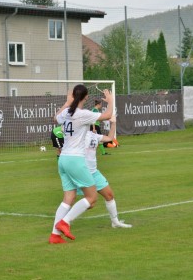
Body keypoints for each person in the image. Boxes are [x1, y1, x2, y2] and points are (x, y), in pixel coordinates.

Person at [49, 85, 113, 244]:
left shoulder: (66, 112)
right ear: (85, 98)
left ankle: (54, 235)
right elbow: (107, 115)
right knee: (91, 198)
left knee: (68, 198)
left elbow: (55, 118)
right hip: (75, 160)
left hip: (63, 159)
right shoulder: (83, 114)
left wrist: (66, 102)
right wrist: (111, 101)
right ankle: (65, 222)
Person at [77, 115, 132, 229]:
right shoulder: (76, 136)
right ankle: (65, 218)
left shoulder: (94, 136)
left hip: (94, 173)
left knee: (109, 195)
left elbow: (110, 138)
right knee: (90, 204)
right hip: (82, 173)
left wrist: (113, 123)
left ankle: (115, 222)